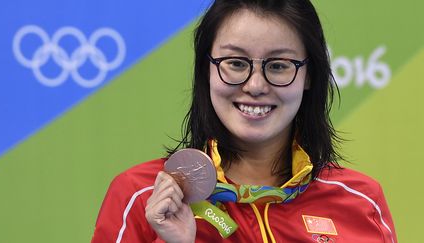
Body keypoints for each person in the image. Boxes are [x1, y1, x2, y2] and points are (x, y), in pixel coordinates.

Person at [91, 0, 397, 242]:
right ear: (207, 71)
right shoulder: (142, 197)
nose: (255, 86)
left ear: (309, 76)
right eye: (236, 63)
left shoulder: (360, 200)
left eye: (278, 65)